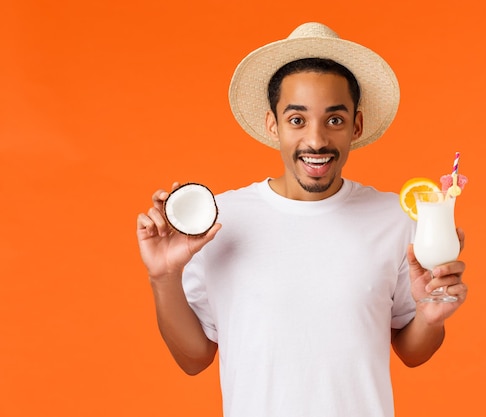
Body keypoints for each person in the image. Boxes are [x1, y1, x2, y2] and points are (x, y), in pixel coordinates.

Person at [137, 22, 467, 417]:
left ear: (355, 126)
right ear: (272, 125)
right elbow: (193, 358)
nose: (316, 140)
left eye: (334, 119)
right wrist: (163, 276)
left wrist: (430, 318)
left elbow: (413, 354)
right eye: (297, 120)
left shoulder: (395, 218)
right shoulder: (220, 222)